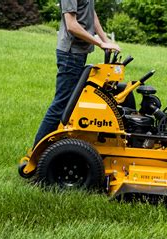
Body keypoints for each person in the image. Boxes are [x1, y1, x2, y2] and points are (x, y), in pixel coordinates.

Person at [33, 0, 120, 147]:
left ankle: (58, 148)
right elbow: (72, 25)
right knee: (62, 104)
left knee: (74, 103)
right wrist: (99, 43)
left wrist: (106, 41)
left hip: (79, 53)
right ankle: (36, 156)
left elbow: (91, 13)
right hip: (70, 54)